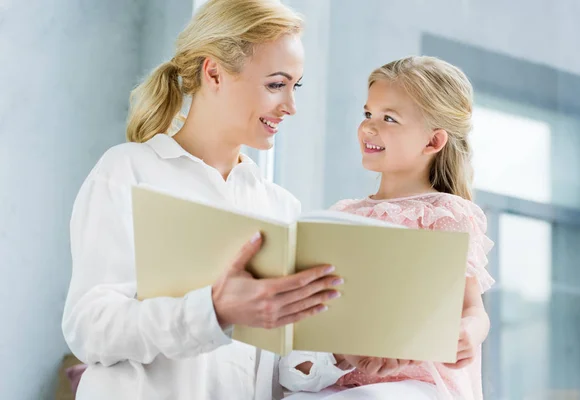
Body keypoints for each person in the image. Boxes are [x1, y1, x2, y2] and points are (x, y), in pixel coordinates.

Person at [61, 1, 344, 399]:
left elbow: (282, 368)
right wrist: (214, 310)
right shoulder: (129, 171)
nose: (291, 106)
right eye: (276, 85)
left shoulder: (281, 207)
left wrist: (340, 357)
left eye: (295, 86)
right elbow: (90, 329)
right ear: (214, 72)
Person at [279, 56, 495, 400]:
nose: (369, 128)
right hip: (346, 376)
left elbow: (473, 308)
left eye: (388, 119)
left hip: (417, 385)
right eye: (368, 114)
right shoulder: (345, 213)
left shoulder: (444, 213)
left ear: (433, 142)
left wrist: (468, 332)